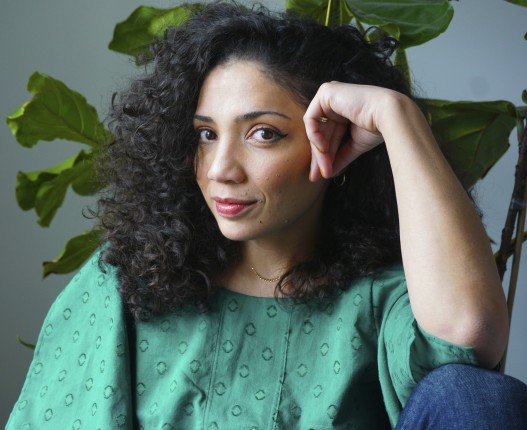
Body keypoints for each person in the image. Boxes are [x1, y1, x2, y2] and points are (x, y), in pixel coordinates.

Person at [7, 3, 527, 429]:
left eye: (263, 134)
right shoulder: (127, 280)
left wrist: (397, 117)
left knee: (473, 393)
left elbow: (469, 336)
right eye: (206, 134)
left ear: (336, 141)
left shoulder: (378, 302)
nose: (220, 169)